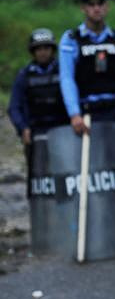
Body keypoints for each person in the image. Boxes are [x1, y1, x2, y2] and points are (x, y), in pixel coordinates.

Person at [58, 0, 115, 136]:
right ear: (83, 8)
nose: (96, 9)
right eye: (91, 4)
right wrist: (74, 113)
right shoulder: (71, 39)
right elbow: (67, 78)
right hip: (88, 111)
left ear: (107, 7)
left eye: (100, 4)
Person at [8, 28, 70, 194]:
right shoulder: (25, 75)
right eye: (39, 49)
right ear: (33, 52)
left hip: (63, 130)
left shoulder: (64, 71)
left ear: (52, 50)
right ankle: (39, 210)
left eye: (46, 48)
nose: (43, 52)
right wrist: (22, 128)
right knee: (38, 175)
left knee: (66, 171)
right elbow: (14, 106)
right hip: (36, 132)